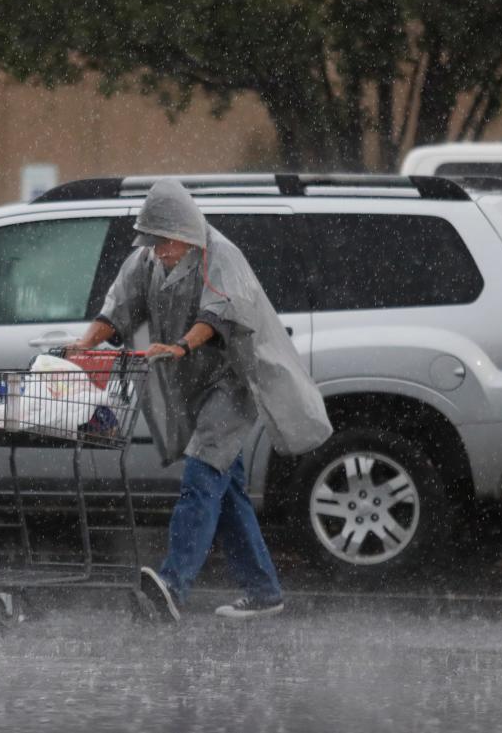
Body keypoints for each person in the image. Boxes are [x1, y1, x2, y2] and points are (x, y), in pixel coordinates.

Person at [69, 178, 332, 621]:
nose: (159, 251)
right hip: (193, 387)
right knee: (225, 490)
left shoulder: (221, 257)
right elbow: (117, 311)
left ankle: (173, 586)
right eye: (153, 242)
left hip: (232, 384)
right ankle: (264, 590)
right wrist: (85, 344)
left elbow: (219, 314)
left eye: (165, 242)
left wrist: (182, 346)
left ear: (186, 235)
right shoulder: (145, 261)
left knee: (201, 474)